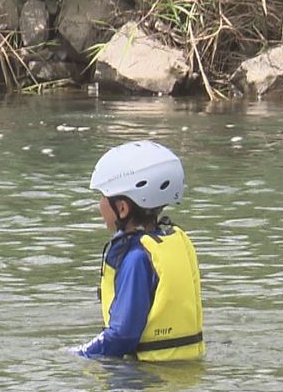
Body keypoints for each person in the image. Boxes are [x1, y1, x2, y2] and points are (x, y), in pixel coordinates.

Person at [77, 140, 206, 361]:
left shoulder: (136, 258)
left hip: (142, 382)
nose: (99, 205)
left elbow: (122, 336)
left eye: (103, 197)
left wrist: (75, 354)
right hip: (180, 381)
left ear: (123, 208)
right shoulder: (174, 242)